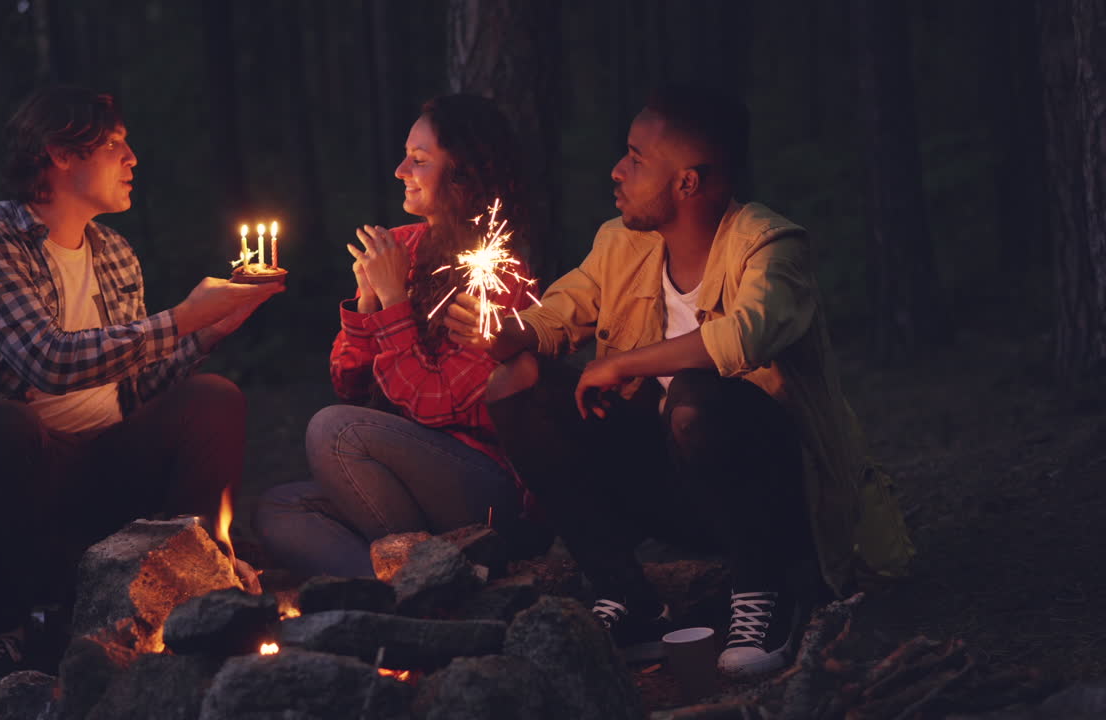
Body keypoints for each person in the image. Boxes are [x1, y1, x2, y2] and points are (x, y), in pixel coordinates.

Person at [445, 84, 914, 676]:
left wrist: (619, 364)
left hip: (778, 497)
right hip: (675, 490)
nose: (617, 171)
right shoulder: (622, 242)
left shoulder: (771, 245)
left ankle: (763, 596)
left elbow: (744, 336)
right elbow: (560, 310)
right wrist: (513, 334)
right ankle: (625, 594)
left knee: (697, 397)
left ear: (688, 182)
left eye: (637, 159)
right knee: (519, 381)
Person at [0, 86, 282, 680]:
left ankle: (194, 588)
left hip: (107, 458)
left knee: (213, 397)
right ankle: (2, 628)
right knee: (2, 425)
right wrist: (181, 318)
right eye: (115, 144)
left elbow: (136, 386)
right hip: (23, 473)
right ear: (61, 154)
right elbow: (47, 360)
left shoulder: (115, 253)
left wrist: (206, 334)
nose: (133, 158)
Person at [255, 94, 536, 578]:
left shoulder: (497, 274)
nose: (401, 169)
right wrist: (367, 304)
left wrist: (393, 302)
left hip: (484, 486)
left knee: (334, 430)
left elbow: (435, 403)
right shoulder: (404, 245)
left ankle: (425, 575)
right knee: (279, 508)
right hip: (396, 471)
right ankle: (403, 585)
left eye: (420, 160)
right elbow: (351, 387)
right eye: (407, 155)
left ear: (463, 173)